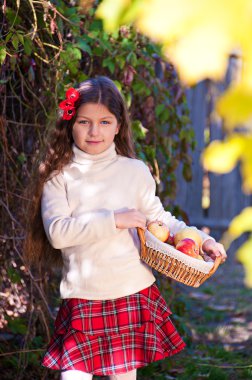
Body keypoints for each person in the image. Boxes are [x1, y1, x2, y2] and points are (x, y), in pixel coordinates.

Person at [24, 76, 227, 380]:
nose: (95, 131)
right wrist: (115, 219)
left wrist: (200, 239)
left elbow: (160, 220)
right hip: (84, 296)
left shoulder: (134, 172)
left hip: (130, 292)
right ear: (70, 124)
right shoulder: (59, 175)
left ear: (118, 126)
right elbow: (58, 232)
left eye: (105, 122)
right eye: (84, 122)